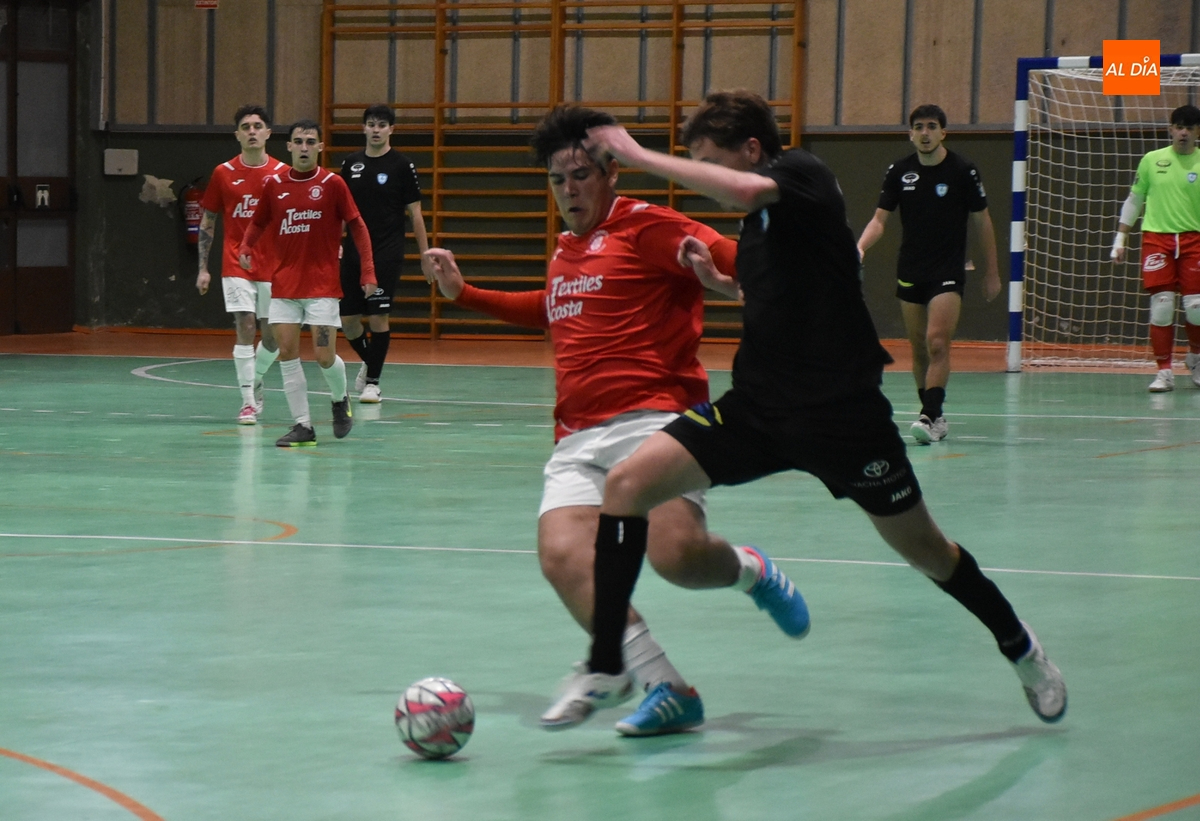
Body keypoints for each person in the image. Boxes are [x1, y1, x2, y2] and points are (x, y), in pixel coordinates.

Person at [571, 89, 1066, 728]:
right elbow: (779, 292)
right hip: (758, 410)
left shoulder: (800, 175)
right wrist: (721, 283)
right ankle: (609, 661)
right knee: (626, 485)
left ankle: (1020, 646)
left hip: (844, 420)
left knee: (928, 552)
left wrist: (635, 154)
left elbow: (746, 190)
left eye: (709, 161)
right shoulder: (759, 227)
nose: (704, 177)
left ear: (752, 150)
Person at [422, 104, 810, 736]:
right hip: (577, 436)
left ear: (611, 174)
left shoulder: (649, 226)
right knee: (563, 558)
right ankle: (666, 687)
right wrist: (463, 294)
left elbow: (741, 258)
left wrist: (800, 275)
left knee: (676, 556)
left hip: (655, 420)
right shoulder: (566, 250)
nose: (569, 190)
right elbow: (551, 308)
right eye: (558, 180)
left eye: (581, 175)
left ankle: (750, 570)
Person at [856, 104, 1001, 443]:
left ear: (942, 132)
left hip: (948, 270)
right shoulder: (899, 171)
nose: (925, 133)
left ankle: (930, 415)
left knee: (937, 343)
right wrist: (860, 247)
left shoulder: (963, 170)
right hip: (911, 269)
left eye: (932, 126)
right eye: (919, 127)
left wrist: (992, 272)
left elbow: (982, 220)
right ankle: (933, 414)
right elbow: (879, 220)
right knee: (919, 349)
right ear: (910, 134)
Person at [239, 120, 377, 448]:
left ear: (320, 147)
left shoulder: (332, 184)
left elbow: (358, 226)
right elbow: (258, 221)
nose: (304, 147)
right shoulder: (274, 185)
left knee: (324, 355)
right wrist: (246, 247)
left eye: (310, 142)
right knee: (287, 353)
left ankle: (339, 398)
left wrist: (368, 271)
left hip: (321, 288)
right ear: (288, 146)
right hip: (284, 287)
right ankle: (303, 425)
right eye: (298, 141)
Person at [196, 104, 290, 425]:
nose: (252, 131)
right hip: (236, 262)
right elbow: (208, 221)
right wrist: (203, 268)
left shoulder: (282, 173)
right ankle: (248, 401)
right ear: (237, 135)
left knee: (273, 338)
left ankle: (257, 377)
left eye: (257, 126)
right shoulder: (223, 173)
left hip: (273, 266)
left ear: (268, 133)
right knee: (246, 325)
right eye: (246, 127)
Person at [339, 104, 432, 403]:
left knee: (378, 316)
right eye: (371, 124)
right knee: (348, 320)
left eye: (381, 124)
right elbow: (340, 211)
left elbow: (416, 214)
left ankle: (373, 383)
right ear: (364, 128)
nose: (376, 129)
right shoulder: (351, 163)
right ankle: (371, 363)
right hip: (353, 252)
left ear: (391, 129)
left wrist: (425, 254)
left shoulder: (402, 165)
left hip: (386, 252)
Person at [1111, 104, 1200, 392]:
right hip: (1157, 240)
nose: (1183, 132)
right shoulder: (1151, 160)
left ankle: (1196, 358)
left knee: (1196, 308)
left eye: (1189, 128)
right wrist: (1120, 239)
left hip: (1194, 240)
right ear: (1171, 129)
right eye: (1179, 127)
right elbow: (1135, 200)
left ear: (1198, 132)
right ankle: (1164, 372)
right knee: (1161, 307)